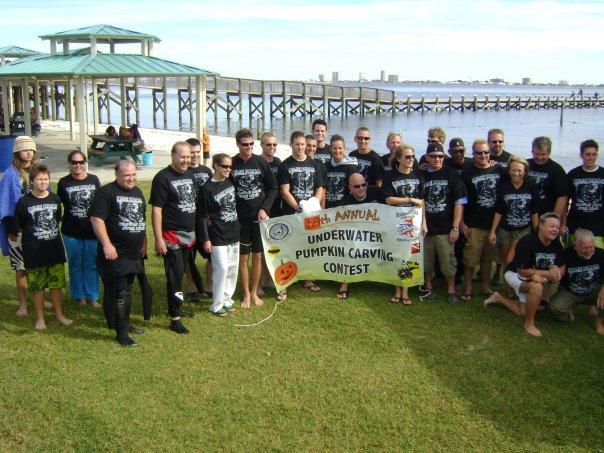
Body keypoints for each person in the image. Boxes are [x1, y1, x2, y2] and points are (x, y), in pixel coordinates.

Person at [91, 160, 147, 346]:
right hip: (115, 254)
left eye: (133, 175)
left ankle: (121, 323)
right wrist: (107, 244)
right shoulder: (106, 193)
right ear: (117, 175)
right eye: (126, 175)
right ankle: (121, 334)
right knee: (120, 292)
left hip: (133, 254)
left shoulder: (138, 192)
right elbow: (96, 219)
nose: (131, 178)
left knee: (127, 290)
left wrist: (144, 243)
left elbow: (141, 219)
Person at [484, 212, 565, 337]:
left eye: (557, 227)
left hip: (534, 277)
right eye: (551, 226)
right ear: (541, 226)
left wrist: (556, 271)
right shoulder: (527, 241)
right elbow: (522, 271)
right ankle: (529, 323)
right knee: (536, 287)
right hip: (516, 275)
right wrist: (549, 273)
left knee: (522, 311)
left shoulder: (556, 243)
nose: (555, 230)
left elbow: (561, 264)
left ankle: (498, 297)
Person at [13, 165, 72, 331]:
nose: (43, 182)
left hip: (55, 251)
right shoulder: (23, 202)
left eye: (46, 178)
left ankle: (59, 314)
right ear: (31, 181)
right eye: (39, 179)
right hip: (34, 252)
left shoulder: (55, 199)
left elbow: (57, 220)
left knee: (56, 285)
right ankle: (40, 318)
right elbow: (20, 227)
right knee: (37, 287)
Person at [150, 141, 197, 334]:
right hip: (171, 236)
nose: (186, 160)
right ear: (173, 156)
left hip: (189, 235)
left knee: (182, 273)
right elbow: (156, 210)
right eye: (182, 157)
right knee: (174, 276)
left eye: (188, 157)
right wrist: (159, 239)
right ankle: (174, 318)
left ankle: (177, 306)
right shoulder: (162, 178)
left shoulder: (190, 174)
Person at [230, 128, 277, 308]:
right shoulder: (232, 163)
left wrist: (265, 209)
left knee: (257, 257)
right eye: (245, 144)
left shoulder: (260, 163)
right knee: (243, 258)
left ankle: (255, 291)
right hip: (240, 219)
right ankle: (246, 295)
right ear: (238, 145)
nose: (249, 147)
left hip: (259, 217)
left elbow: (273, 188)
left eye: (251, 144)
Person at [0, 135, 43, 317]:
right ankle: (23, 303)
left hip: (36, 228)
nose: (29, 152)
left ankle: (39, 299)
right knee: (21, 267)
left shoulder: (36, 171)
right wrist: (11, 228)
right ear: (18, 151)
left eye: (31, 149)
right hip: (18, 229)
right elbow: (5, 204)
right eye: (25, 149)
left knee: (38, 265)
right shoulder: (10, 174)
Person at [278, 130, 325, 293]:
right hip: (294, 212)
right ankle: (285, 280)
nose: (300, 147)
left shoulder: (314, 164)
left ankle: (309, 279)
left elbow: (319, 188)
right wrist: (299, 208)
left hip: (311, 212)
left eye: (303, 144)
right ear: (291, 145)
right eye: (297, 144)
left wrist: (314, 205)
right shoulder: (285, 165)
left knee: (310, 246)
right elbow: (285, 191)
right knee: (289, 246)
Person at [421, 142, 466, 303]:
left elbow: (459, 203)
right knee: (426, 261)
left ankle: (451, 290)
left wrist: (455, 227)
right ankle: (428, 287)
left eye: (440, 156)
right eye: (433, 157)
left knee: (448, 262)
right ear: (427, 158)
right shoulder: (421, 175)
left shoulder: (452, 174)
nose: (437, 159)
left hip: (445, 228)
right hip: (426, 228)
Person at [382, 144, 427, 305]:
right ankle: (397, 289)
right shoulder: (390, 176)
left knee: (410, 255)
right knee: (397, 255)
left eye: (412, 156)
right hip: (396, 221)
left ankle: (406, 289)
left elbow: (422, 202)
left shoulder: (418, 176)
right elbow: (389, 199)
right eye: (407, 157)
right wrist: (409, 199)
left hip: (414, 221)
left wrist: (424, 223)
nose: (411, 159)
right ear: (399, 158)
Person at [460, 139, 505, 300]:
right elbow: (460, 200)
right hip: (474, 223)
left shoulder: (499, 169)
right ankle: (468, 287)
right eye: (479, 153)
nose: (483, 155)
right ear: (473, 154)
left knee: (488, 258)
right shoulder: (466, 172)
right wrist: (461, 222)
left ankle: (486, 285)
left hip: (493, 223)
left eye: (486, 152)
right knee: (471, 258)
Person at [197, 154, 240, 316]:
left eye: (230, 167)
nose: (228, 169)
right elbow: (202, 216)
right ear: (215, 165)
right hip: (217, 235)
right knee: (221, 269)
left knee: (232, 269)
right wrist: (206, 239)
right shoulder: (206, 189)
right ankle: (216, 304)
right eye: (224, 166)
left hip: (233, 232)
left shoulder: (231, 180)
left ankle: (227, 299)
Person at [58, 150, 101, 308]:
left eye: (81, 162)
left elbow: (99, 204)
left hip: (92, 230)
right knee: (75, 263)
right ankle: (79, 295)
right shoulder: (63, 183)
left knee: (92, 264)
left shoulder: (94, 179)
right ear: (70, 164)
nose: (78, 165)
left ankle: (92, 295)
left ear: (85, 163)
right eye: (74, 162)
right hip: (71, 231)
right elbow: (59, 206)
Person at [549, 229, 604, 334]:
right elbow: (555, 265)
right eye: (584, 248)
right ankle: (568, 314)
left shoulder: (601, 254)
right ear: (575, 246)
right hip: (570, 292)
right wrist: (553, 267)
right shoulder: (566, 254)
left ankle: (600, 321)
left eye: (591, 247)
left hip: (593, 291)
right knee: (554, 307)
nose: (588, 251)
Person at [488, 156, 539, 271]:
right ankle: (507, 287)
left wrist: (536, 231)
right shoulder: (503, 186)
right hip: (505, 230)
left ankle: (518, 285)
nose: (516, 173)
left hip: (524, 230)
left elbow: (534, 211)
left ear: (525, 171)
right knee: (506, 260)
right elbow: (499, 211)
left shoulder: (531, 186)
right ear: (509, 171)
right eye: (513, 170)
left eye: (519, 170)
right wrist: (492, 232)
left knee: (518, 259)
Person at [185, 137, 213, 301]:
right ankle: (192, 287)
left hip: (205, 220)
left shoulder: (206, 170)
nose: (195, 156)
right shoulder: (184, 171)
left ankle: (209, 285)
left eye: (197, 152)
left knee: (211, 255)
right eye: (192, 153)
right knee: (190, 257)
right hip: (189, 220)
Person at [564, 139, 604, 247]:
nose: (591, 157)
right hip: (575, 225)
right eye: (587, 154)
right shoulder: (572, 174)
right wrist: (563, 223)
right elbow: (565, 201)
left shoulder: (602, 174)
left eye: (594, 154)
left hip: (599, 227)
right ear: (581, 155)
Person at [527, 136, 568, 217]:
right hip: (526, 214)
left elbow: (562, 197)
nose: (539, 157)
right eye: (537, 154)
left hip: (546, 215)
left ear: (549, 153)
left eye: (543, 154)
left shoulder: (557, 169)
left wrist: (554, 218)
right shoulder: (525, 165)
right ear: (532, 152)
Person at [324, 134, 358, 208]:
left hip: (345, 207)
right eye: (334, 148)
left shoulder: (351, 166)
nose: (337, 151)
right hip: (328, 206)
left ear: (344, 148)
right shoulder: (326, 166)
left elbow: (356, 189)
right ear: (330, 149)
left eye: (340, 148)